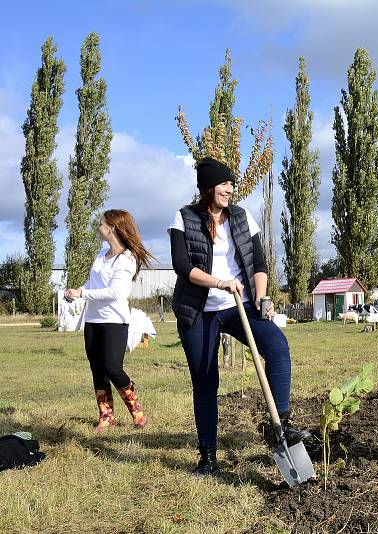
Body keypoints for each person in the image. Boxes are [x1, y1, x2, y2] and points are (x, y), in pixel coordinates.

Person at [169, 157, 310, 478]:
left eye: (232, 184)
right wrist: (220, 282)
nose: (230, 189)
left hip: (240, 305)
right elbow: (182, 266)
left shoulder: (243, 218)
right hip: (199, 308)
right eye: (224, 184)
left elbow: (259, 264)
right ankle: (207, 456)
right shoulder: (184, 218)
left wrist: (262, 297)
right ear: (207, 187)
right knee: (205, 380)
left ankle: (281, 426)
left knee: (277, 346)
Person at [64, 209, 155, 432]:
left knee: (113, 368)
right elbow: (93, 284)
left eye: (101, 223)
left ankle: (136, 410)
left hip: (115, 321)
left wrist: (82, 295)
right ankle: (106, 416)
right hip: (93, 320)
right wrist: (77, 291)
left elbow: (115, 293)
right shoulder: (101, 256)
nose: (99, 227)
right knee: (97, 369)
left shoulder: (126, 259)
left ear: (112, 228)